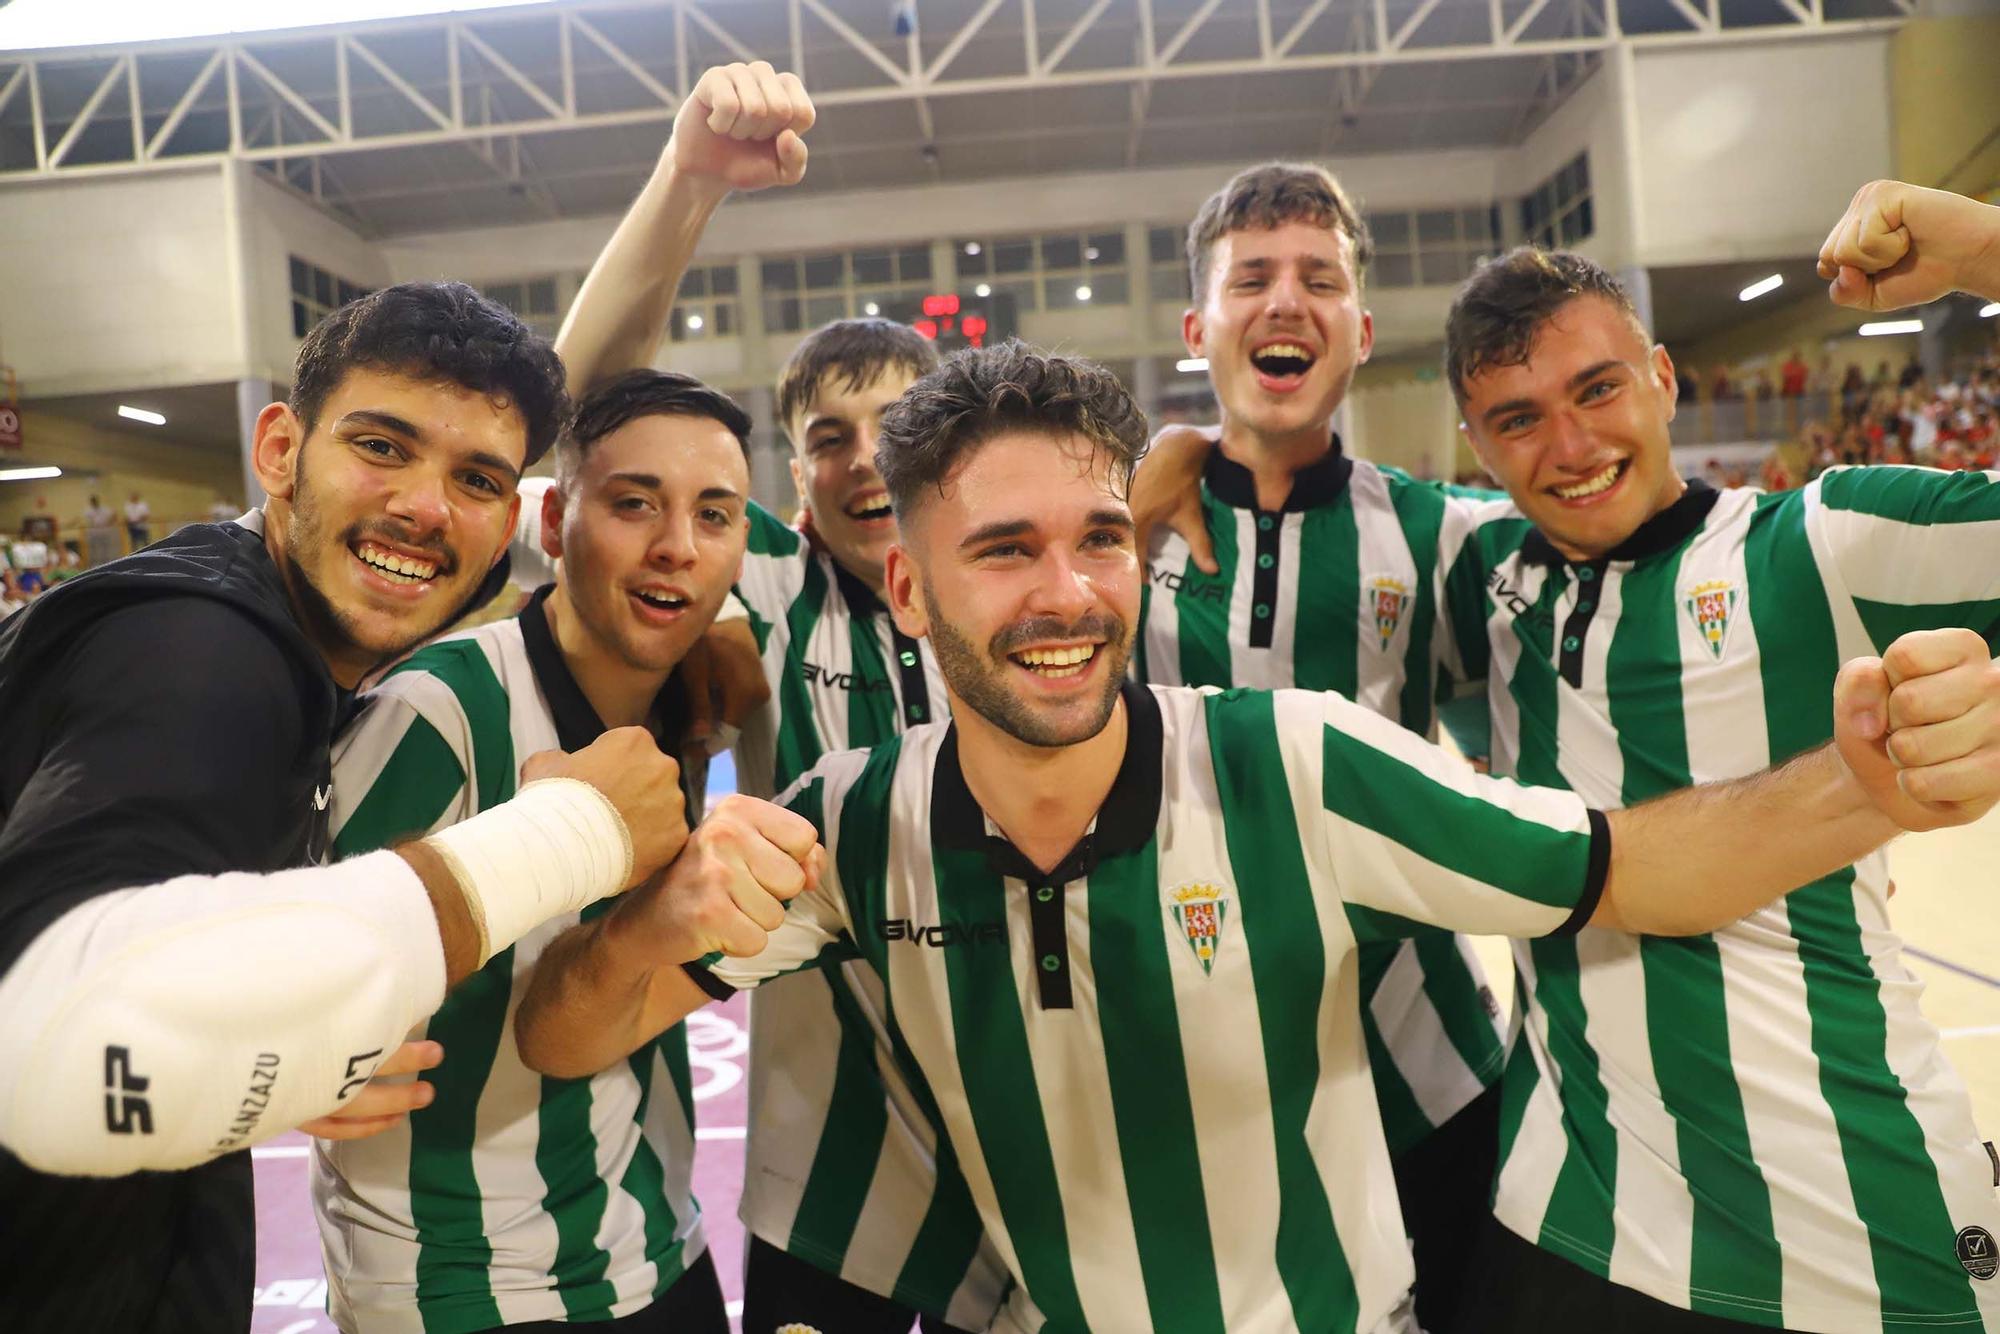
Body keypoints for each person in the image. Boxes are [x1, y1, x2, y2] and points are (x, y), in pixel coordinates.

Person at [510, 343, 2000, 1334]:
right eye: (1005, 551)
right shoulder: (849, 823)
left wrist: (1865, 786)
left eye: (1099, 539)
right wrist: (645, 924)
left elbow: (1635, 864)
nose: (1069, 594)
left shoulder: (1297, 761)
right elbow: (570, 1032)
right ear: (908, 588)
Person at [0, 282, 717, 1333]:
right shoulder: (206, 657)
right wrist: (566, 835)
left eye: (474, 477)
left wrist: (271, 1030)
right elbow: (50, 1037)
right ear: (280, 447)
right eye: (382, 446)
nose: (425, 507)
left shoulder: (264, 641)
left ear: (509, 521)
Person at [554, 62, 1008, 1332]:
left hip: (1023, 1105)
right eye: (827, 438)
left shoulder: (1014, 579)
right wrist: (686, 181)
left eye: (897, 424)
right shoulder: (757, 575)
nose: (866, 458)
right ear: (795, 475)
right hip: (831, 1147)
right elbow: (587, 410)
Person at [1139, 160, 1506, 1333]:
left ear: (1359, 327)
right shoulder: (1102, 532)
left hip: (1417, 1063)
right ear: (1198, 328)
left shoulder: (1437, 534)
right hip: (1178, 1062)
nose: (1285, 302)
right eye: (1251, 278)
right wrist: (1133, 487)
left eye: (1318, 279)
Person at [312, 371, 757, 1334]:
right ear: (553, 525)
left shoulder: (685, 705)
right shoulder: (435, 711)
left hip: (656, 1243)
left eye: (712, 514)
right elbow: (296, 988)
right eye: (635, 503)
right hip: (462, 1285)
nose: (677, 545)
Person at [83, 492, 117, 567]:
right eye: (92, 501)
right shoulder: (88, 511)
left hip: (104, 532)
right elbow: (88, 522)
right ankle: (95, 565)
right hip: (94, 534)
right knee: (94, 550)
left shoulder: (104, 509)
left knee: (105, 549)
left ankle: (107, 564)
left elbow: (114, 515)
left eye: (95, 500)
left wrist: (108, 523)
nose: (94, 502)